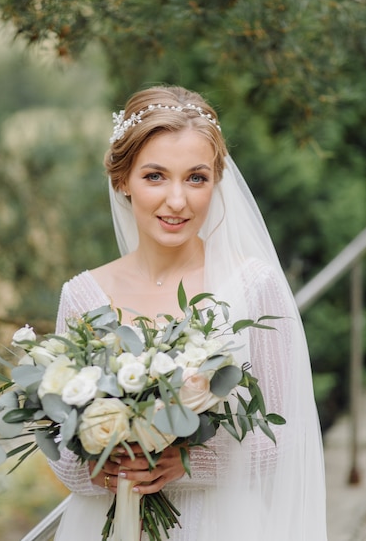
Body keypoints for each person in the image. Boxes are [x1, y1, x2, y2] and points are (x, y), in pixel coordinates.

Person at [50, 86, 328, 540]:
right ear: (123, 180)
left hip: (220, 523)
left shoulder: (253, 288)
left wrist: (187, 460)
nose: (177, 201)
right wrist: (101, 470)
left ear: (216, 181)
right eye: (155, 176)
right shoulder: (83, 295)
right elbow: (61, 444)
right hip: (105, 523)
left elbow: (288, 436)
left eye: (195, 178)